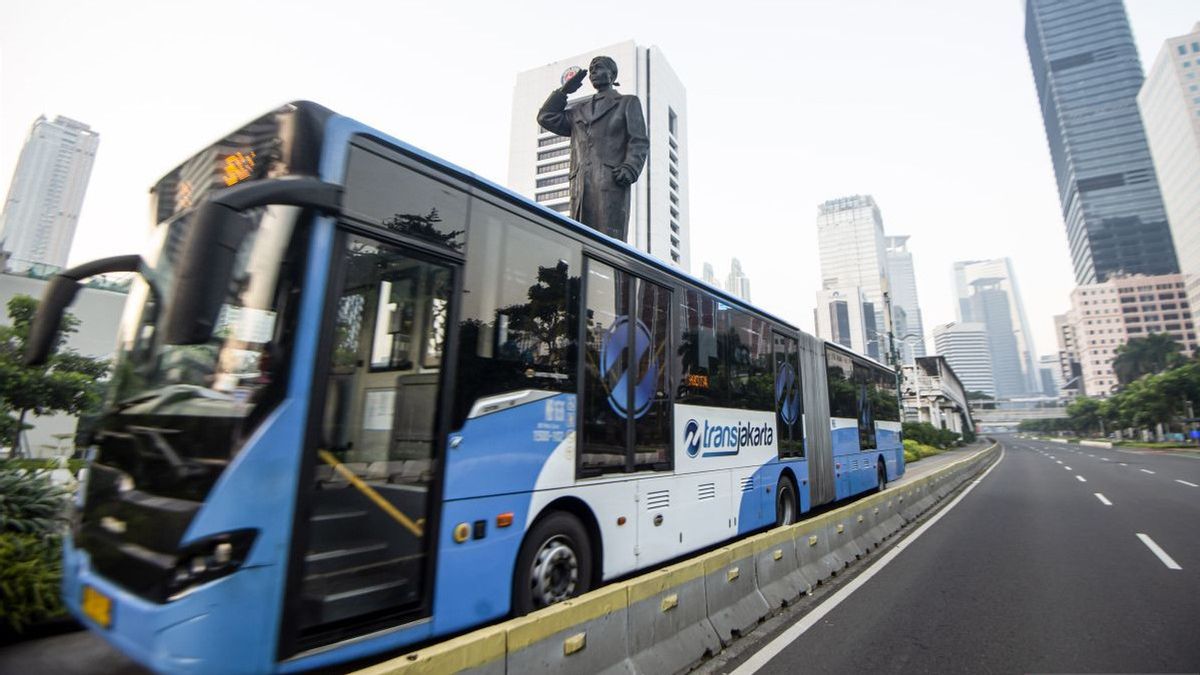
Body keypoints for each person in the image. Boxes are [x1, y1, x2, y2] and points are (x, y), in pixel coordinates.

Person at [537, 56, 649, 241]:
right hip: (580, 185)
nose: (593, 73)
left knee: (609, 242)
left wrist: (630, 167)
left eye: (598, 68)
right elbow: (545, 117)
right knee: (579, 242)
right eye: (590, 70)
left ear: (612, 74)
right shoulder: (578, 110)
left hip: (610, 181)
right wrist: (563, 92)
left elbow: (639, 140)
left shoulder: (627, 102)